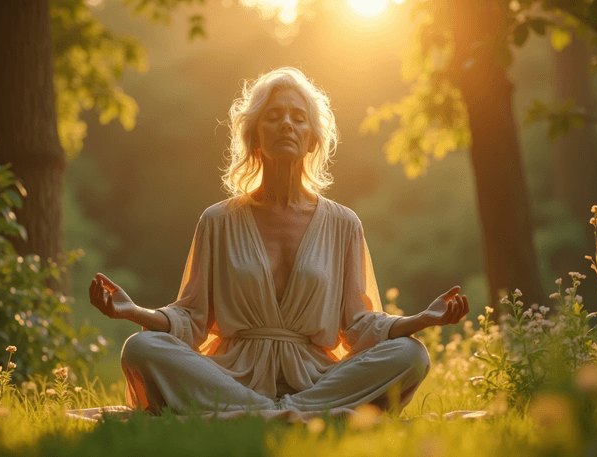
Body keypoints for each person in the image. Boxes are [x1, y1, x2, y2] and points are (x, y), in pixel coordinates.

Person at [88, 67, 470, 418]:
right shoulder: (218, 220)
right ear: (255, 136)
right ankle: (292, 416)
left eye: (298, 118)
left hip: (318, 379)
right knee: (141, 348)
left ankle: (270, 414)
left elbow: (360, 324)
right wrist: (134, 312)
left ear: (311, 141)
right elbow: (191, 319)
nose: (286, 123)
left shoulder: (343, 224)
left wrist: (419, 321)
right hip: (232, 377)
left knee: (411, 354)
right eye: (274, 116)